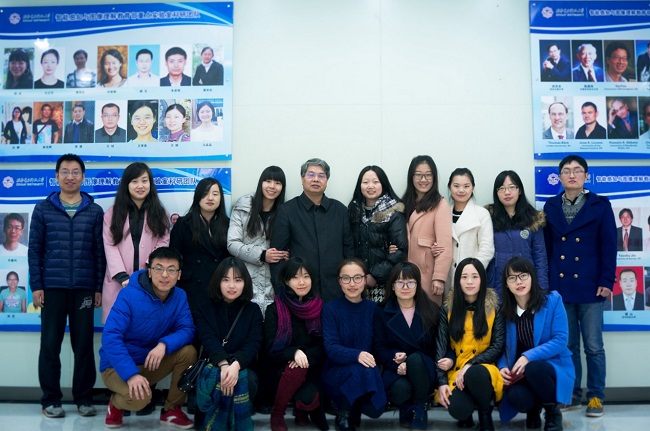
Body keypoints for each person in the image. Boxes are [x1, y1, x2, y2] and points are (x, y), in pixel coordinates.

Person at [28, 154, 105, 418]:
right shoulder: (43, 209)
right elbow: (34, 251)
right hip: (52, 288)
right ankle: (50, 399)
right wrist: (36, 285)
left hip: (84, 288)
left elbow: (99, 254)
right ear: (56, 176)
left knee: (83, 346)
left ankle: (84, 399)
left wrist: (97, 288)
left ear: (83, 176)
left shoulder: (94, 211)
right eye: (64, 171)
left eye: (75, 172)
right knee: (50, 344)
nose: (70, 176)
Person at [544, 155, 616, 417]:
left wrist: (606, 281)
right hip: (561, 288)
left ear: (586, 176)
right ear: (560, 177)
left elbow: (609, 246)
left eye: (577, 171)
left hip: (591, 287)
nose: (572, 175)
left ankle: (596, 396)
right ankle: (571, 394)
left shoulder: (600, 205)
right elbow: (548, 250)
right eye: (566, 171)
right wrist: (548, 285)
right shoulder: (551, 206)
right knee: (568, 346)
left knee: (594, 346)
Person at [99, 247, 196, 429]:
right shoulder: (129, 295)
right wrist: (131, 374)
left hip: (150, 362)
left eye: (171, 270)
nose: (164, 275)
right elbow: (111, 337)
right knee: (140, 399)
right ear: (150, 272)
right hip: (117, 366)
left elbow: (187, 329)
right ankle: (116, 404)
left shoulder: (180, 296)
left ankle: (171, 410)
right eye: (158, 268)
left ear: (179, 275)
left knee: (188, 352)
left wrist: (164, 345)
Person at [497, 257, 575, 431]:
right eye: (512, 278)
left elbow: (561, 339)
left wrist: (528, 356)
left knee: (534, 368)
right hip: (521, 372)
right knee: (516, 397)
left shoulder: (553, 300)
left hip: (552, 366)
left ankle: (552, 411)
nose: (519, 282)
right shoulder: (505, 312)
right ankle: (533, 409)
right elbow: (502, 348)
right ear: (507, 285)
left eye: (523, 275)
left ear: (532, 276)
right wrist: (502, 367)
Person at [435, 258, 504, 431]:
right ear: (458, 281)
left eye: (475, 276)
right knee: (457, 408)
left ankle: (485, 415)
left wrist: (471, 364)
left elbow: (498, 345)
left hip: (484, 369)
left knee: (476, 373)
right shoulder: (447, 309)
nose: (470, 282)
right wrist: (441, 382)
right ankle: (466, 415)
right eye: (464, 277)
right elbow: (441, 348)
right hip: (457, 372)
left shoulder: (494, 308)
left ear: (482, 279)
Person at [270, 158, 353, 302]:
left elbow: (349, 251)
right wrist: (283, 292)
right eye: (310, 174)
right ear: (302, 179)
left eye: (321, 175)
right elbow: (278, 256)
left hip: (336, 292)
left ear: (326, 181)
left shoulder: (340, 210)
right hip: (300, 294)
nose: (316, 179)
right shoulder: (287, 211)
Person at [195, 257, 263, 430]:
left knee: (248, 380)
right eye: (226, 280)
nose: (232, 286)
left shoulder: (253, 310)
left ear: (245, 283)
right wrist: (224, 365)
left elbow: (253, 343)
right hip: (213, 363)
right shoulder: (204, 308)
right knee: (215, 379)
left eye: (238, 280)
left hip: (241, 364)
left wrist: (235, 366)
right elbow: (208, 339)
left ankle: (236, 412)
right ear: (218, 281)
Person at [373, 262, 440, 430]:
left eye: (410, 282)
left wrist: (412, 362)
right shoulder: (381, 312)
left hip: (424, 368)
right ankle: (406, 407)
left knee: (415, 359)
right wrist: (394, 359)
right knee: (400, 389)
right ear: (392, 286)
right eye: (400, 282)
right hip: (397, 368)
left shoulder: (431, 310)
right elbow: (379, 346)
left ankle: (420, 407)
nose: (405, 287)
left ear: (417, 285)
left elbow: (436, 346)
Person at [322, 258, 386, 431]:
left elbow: (379, 345)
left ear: (365, 280)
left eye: (357, 278)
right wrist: (357, 355)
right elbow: (331, 348)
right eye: (346, 278)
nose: (352, 284)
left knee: (375, 405)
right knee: (359, 368)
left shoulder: (374, 309)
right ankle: (344, 413)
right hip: (337, 372)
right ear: (339, 281)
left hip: (366, 371)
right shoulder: (330, 309)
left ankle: (353, 407)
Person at [264, 257, 328, 431]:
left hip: (310, 367)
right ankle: (277, 413)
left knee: (309, 395)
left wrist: (303, 356)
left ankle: (302, 409)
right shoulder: (274, 310)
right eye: (295, 277)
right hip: (279, 370)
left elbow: (322, 346)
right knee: (295, 367)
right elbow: (271, 348)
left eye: (306, 276)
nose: (301, 282)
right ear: (286, 280)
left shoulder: (318, 307)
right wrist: (293, 353)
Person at [102, 162, 170, 323]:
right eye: (134, 181)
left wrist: (148, 269)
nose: (140, 186)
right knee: (117, 329)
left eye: (144, 181)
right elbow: (110, 245)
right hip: (118, 282)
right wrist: (122, 276)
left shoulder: (160, 213)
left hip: (148, 280)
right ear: (126, 185)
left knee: (145, 329)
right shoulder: (113, 213)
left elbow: (163, 242)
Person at [227, 166, 288, 314]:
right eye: (268, 181)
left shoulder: (285, 212)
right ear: (261, 183)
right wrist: (261, 255)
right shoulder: (243, 207)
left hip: (272, 283)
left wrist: (287, 254)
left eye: (278, 183)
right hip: (245, 278)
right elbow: (232, 243)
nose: (272, 186)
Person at [348, 165, 408, 303]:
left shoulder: (394, 211)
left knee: (379, 315)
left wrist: (375, 275)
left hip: (384, 281)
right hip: (356, 280)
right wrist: (356, 274)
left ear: (383, 184)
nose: (370, 186)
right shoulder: (353, 209)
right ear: (360, 185)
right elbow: (348, 244)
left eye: (376, 182)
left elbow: (400, 250)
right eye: (365, 182)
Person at [170, 177, 230, 313]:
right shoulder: (183, 223)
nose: (210, 198)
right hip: (191, 287)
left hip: (218, 286)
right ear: (197, 196)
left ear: (221, 198)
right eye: (205, 193)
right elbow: (174, 256)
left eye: (215, 194)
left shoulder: (228, 224)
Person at [487, 170, 549, 296]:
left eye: (512, 187)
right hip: (497, 282)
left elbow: (540, 257)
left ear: (519, 190)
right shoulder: (488, 217)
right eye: (501, 188)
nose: (507, 192)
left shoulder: (533, 218)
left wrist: (542, 289)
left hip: (526, 282)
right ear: (496, 192)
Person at [402, 155, 452, 305]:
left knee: (427, 314)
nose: (423, 180)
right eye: (418, 175)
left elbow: (444, 245)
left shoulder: (440, 204)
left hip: (427, 275)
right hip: (404, 274)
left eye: (428, 175)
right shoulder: (404, 203)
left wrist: (439, 277)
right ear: (411, 177)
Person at [447, 168, 494, 293]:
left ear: (473, 187)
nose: (461, 190)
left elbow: (487, 249)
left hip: (472, 280)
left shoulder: (481, 214)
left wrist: (471, 273)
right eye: (456, 186)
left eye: (466, 186)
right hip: (447, 277)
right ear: (449, 187)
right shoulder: (443, 212)